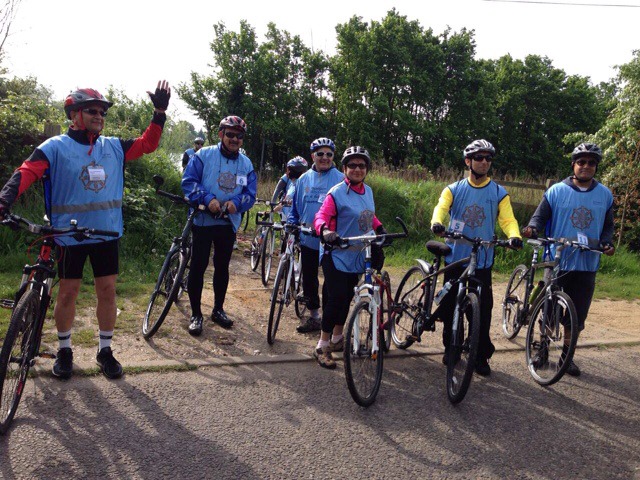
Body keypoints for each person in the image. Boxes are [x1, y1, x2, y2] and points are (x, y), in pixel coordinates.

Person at [0, 81, 171, 380]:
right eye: (92, 111)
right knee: (68, 293)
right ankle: (65, 350)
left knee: (107, 291)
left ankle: (105, 351)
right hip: (68, 235)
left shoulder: (114, 147)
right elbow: (25, 173)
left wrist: (158, 114)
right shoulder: (54, 148)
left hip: (106, 234)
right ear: (74, 114)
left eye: (102, 112)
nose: (99, 116)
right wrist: (4, 201)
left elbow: (148, 144)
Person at [522, 142, 615, 377]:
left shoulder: (605, 195)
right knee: (549, 310)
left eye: (591, 163)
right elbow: (539, 218)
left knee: (577, 317)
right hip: (558, 260)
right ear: (573, 164)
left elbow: (608, 227)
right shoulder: (555, 191)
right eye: (581, 162)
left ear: (596, 167)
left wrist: (607, 243)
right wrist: (533, 229)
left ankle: (567, 358)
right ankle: (542, 350)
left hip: (587, 264)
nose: (586, 166)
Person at [431, 139, 522, 376]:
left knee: (481, 310)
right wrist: (437, 223)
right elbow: (442, 207)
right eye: (478, 158)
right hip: (455, 257)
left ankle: (480, 355)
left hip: (482, 260)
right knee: (451, 305)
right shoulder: (453, 189)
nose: (484, 162)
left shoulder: (499, 193)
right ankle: (451, 347)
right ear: (468, 161)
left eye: (488, 158)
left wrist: (514, 235)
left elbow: (508, 219)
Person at [182, 115, 257, 336]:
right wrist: (207, 199)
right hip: (203, 219)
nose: (234, 139)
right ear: (221, 134)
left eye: (239, 136)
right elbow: (188, 182)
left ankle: (218, 309)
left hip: (227, 223)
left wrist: (236, 203)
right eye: (230, 134)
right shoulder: (203, 155)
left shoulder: (246, 163)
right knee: (198, 265)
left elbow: (250, 194)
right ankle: (196, 314)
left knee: (222, 267)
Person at [313, 146, 387, 369]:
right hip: (335, 253)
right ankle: (322, 345)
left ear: (366, 169)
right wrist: (325, 231)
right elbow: (320, 217)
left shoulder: (369, 191)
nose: (357, 169)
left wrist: (380, 227)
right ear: (344, 168)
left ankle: (337, 339)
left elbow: (368, 216)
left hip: (357, 254)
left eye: (361, 165)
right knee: (336, 298)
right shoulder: (336, 193)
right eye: (352, 165)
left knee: (347, 298)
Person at [288, 137, 344, 333]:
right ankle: (314, 316)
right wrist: (292, 222)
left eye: (329, 154)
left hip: (331, 239)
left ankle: (328, 322)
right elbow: (295, 208)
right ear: (313, 156)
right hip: (308, 238)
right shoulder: (303, 179)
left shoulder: (340, 178)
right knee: (309, 278)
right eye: (320, 154)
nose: (325, 157)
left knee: (330, 281)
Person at [272, 156, 308, 221]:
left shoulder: (295, 187)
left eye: (289, 170)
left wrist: (272, 211)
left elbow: (284, 203)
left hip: (293, 220)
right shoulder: (293, 183)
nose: (287, 172)